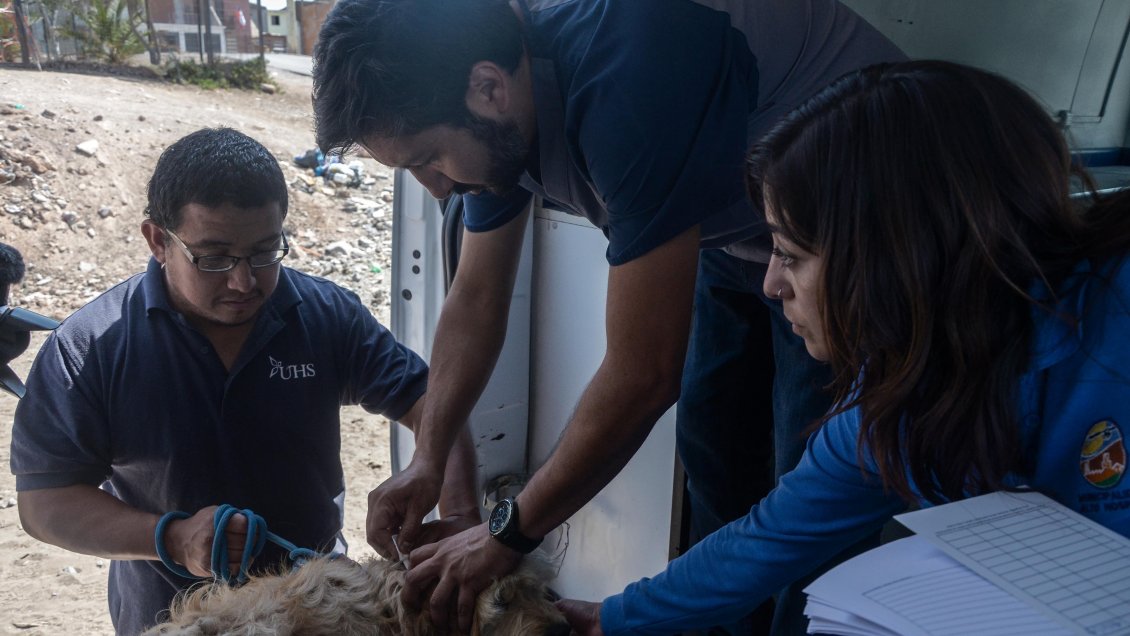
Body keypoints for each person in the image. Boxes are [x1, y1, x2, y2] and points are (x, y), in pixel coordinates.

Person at [312, 2, 903, 633]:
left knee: (810, 481)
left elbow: (644, 374)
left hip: (859, 228)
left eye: (429, 157)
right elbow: (477, 299)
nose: (434, 187)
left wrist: (508, 533)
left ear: (489, 88)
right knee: (714, 456)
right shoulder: (496, 116)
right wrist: (427, 459)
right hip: (731, 228)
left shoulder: (625, 79)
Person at [554, 59, 1130, 635]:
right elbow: (769, 537)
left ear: (894, 256)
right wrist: (611, 621)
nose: (771, 285)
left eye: (792, 254)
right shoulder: (899, 394)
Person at [8, 127, 479, 635]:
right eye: (213, 258)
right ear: (158, 241)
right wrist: (172, 538)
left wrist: (459, 512)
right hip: (174, 621)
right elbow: (45, 502)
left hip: (316, 615)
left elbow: (429, 401)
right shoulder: (91, 348)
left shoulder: (325, 316)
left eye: (264, 252)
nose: (244, 282)